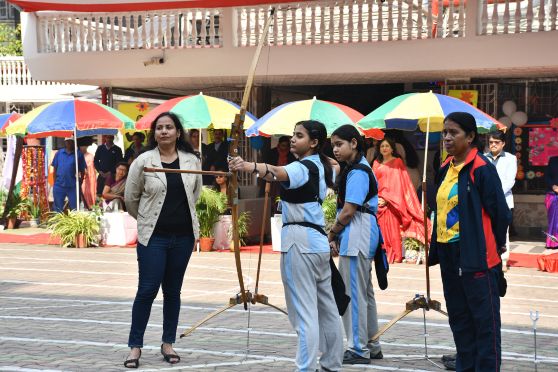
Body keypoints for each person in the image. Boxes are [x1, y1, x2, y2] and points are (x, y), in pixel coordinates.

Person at [228, 120, 343, 372]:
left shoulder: (303, 166)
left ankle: (305, 368)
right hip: (316, 242)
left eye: (299, 136)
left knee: (304, 313)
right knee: (327, 308)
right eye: (293, 134)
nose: (292, 139)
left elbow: (280, 173)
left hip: (300, 241)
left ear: (313, 142)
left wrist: (248, 165)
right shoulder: (324, 166)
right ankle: (332, 364)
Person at [429, 112, 510, 371]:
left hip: (476, 256)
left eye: (454, 132)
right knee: (460, 321)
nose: (447, 138)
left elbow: (500, 213)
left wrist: (495, 246)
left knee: (484, 324)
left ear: (471, 137)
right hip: (448, 254)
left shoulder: (482, 169)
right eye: (444, 133)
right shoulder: (445, 168)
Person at [123, 112, 202, 368]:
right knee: (146, 291)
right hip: (153, 237)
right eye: (159, 128)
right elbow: (130, 197)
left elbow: (196, 195)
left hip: (183, 238)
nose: (164, 131)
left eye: (169, 127)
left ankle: (168, 343)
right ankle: (135, 347)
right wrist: (146, 219)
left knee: (173, 292)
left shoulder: (191, 161)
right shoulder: (143, 161)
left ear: (178, 132)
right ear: (154, 133)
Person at [329, 125, 383, 364]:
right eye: (333, 145)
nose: (336, 149)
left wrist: (332, 233)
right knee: (364, 292)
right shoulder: (356, 168)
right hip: (362, 231)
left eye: (339, 144)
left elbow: (349, 210)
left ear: (353, 142)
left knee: (352, 293)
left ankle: (358, 348)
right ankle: (371, 344)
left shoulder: (359, 171)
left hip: (358, 231)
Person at [372, 137, 430, 263]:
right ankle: (381, 255)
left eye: (387, 146)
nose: (384, 148)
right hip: (378, 201)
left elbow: (398, 184)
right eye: (382, 146)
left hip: (392, 203)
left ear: (392, 148)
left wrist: (387, 199)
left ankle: (394, 255)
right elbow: (372, 183)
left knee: (393, 230)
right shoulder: (376, 163)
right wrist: (376, 198)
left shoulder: (397, 162)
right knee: (379, 230)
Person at [485, 131, 517, 269]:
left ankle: (503, 261)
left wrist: (494, 195)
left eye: (496, 142)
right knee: (487, 231)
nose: (493, 145)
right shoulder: (483, 158)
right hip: (486, 202)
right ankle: (489, 258)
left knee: (503, 232)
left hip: (503, 201)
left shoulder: (511, 158)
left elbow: (510, 181)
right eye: (491, 142)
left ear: (503, 143)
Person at [51, 137, 86, 212]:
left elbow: (83, 170)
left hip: (73, 186)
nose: (69, 143)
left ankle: (73, 223)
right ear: (65, 142)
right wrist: (55, 183)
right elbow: (55, 169)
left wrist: (80, 181)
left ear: (74, 142)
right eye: (67, 141)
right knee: (57, 209)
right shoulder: (59, 153)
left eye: (71, 141)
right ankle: (58, 223)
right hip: (59, 185)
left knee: (74, 208)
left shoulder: (78, 154)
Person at [265, 136, 296, 213]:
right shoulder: (272, 152)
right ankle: (274, 212)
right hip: (274, 179)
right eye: (283, 145)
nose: (284, 148)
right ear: (279, 144)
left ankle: (283, 212)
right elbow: (267, 164)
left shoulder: (291, 153)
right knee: (273, 197)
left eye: (286, 146)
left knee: (285, 196)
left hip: (286, 178)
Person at [77, 137, 96, 209]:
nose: (84, 148)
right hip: (82, 177)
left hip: (91, 177)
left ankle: (91, 207)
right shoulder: (77, 156)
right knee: (82, 192)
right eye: (83, 146)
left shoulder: (91, 156)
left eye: (86, 146)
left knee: (91, 192)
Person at [546, 156, 558, 249]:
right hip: (553, 194)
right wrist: (553, 186)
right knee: (553, 220)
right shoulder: (553, 160)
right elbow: (547, 176)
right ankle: (553, 243)